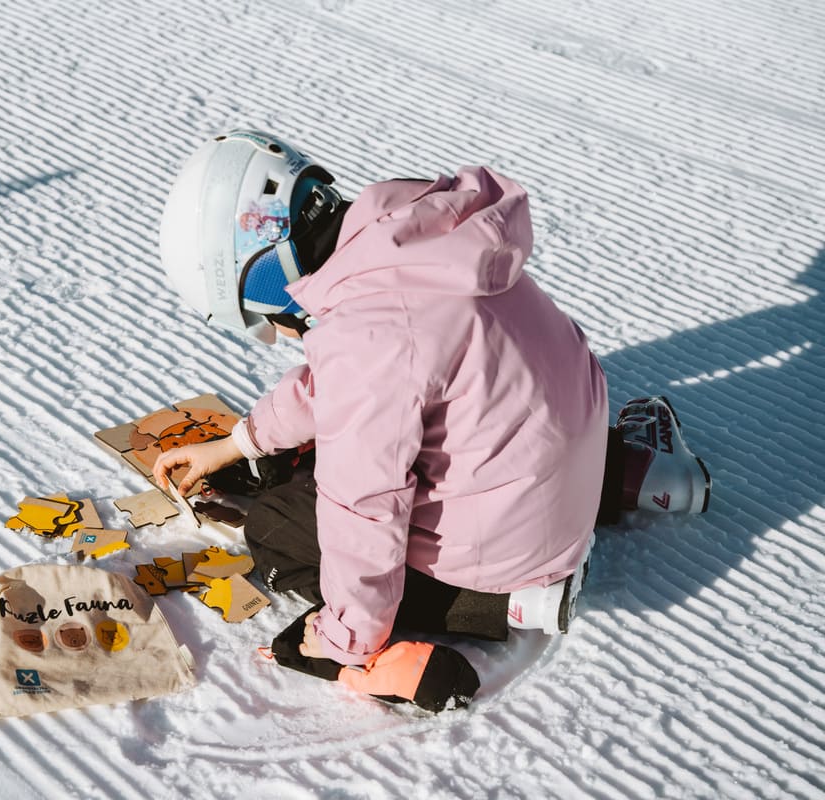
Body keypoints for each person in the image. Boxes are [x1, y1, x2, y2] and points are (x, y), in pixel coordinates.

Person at [152, 130, 711, 704]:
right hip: (577, 453)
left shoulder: (369, 338)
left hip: (517, 541)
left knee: (278, 526)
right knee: (486, 407)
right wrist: (238, 443)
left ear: (267, 272)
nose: (277, 333)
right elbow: (350, 387)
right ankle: (637, 473)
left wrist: (342, 639)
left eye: (260, 316)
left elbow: (364, 508)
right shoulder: (413, 236)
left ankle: (505, 604)